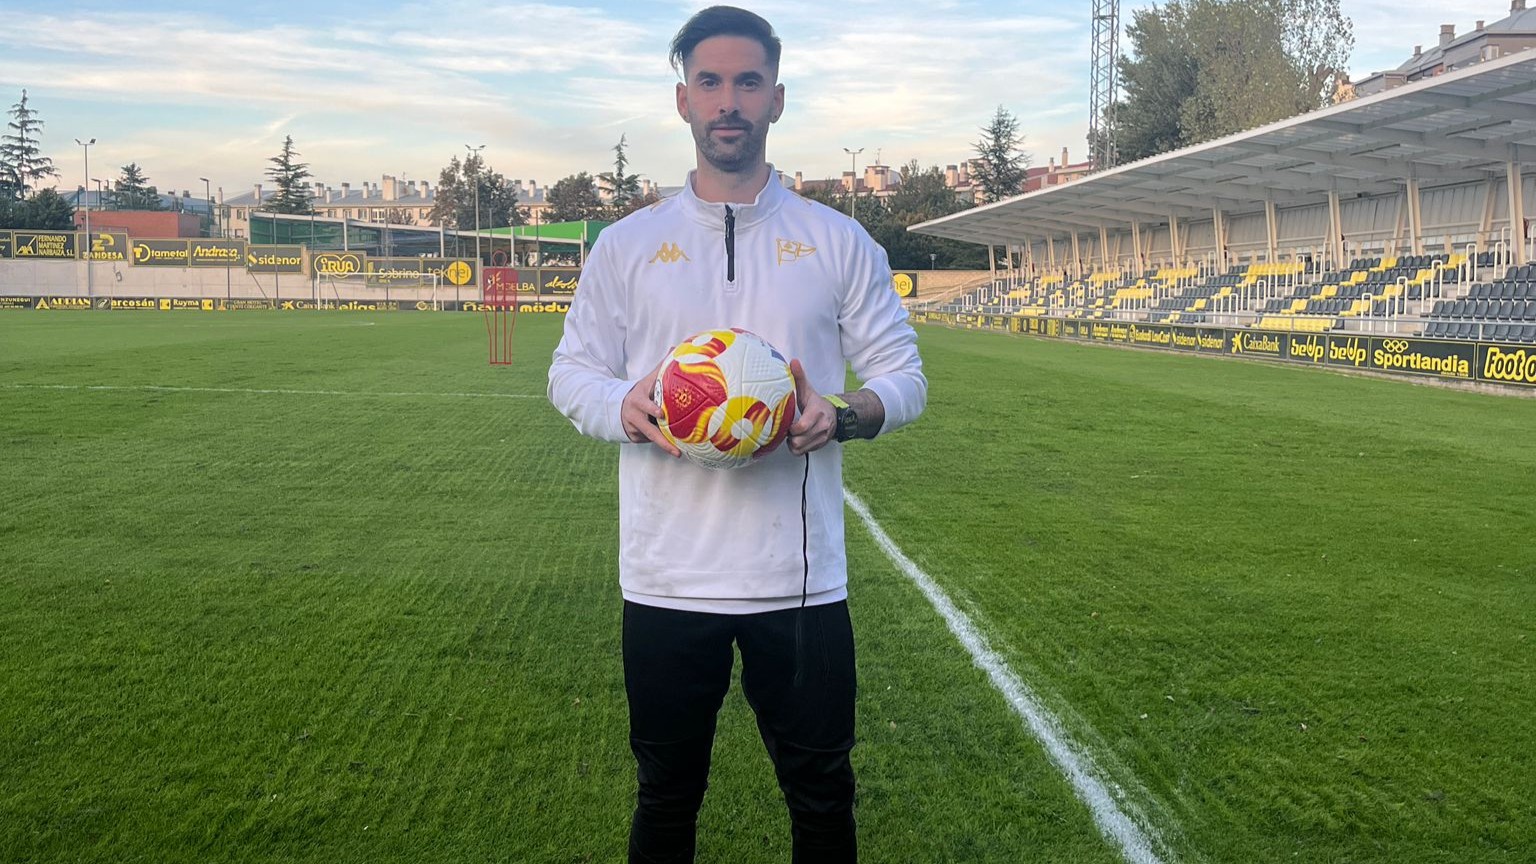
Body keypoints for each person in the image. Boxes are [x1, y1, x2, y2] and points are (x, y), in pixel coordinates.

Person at [547, 6, 926, 862]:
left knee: (823, 797)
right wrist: (624, 408)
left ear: (777, 100)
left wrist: (848, 413)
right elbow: (571, 373)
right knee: (666, 796)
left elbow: (904, 377)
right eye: (710, 83)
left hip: (797, 583)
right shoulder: (626, 247)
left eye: (747, 83)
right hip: (666, 578)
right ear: (682, 100)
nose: (729, 102)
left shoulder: (838, 241)